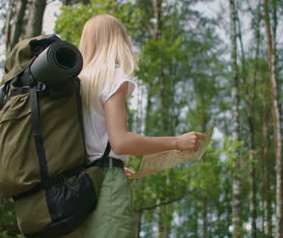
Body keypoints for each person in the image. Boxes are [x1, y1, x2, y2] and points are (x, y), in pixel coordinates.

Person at [66, 14, 205, 237]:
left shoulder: (76, 81)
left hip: (75, 188)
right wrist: (177, 142)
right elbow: (120, 142)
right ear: (117, 41)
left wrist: (113, 162)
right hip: (105, 185)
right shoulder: (111, 76)